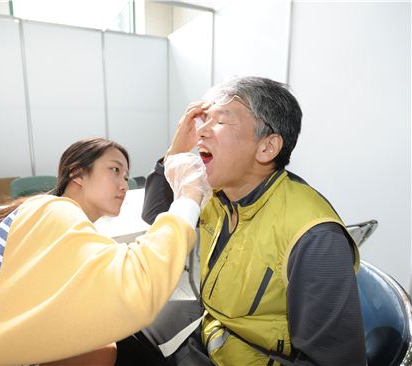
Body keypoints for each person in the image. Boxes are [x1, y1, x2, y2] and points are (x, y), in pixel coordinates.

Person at [0, 137, 211, 366]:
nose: (125, 184)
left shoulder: (39, 214)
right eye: (114, 170)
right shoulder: (56, 213)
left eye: (126, 176)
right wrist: (189, 195)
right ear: (77, 173)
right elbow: (138, 287)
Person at [135, 77, 367, 365]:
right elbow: (156, 215)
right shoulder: (218, 194)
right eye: (201, 119)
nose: (200, 132)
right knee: (123, 328)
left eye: (219, 121)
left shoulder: (316, 238)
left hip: (251, 355)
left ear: (267, 148)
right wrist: (175, 154)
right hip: (213, 330)